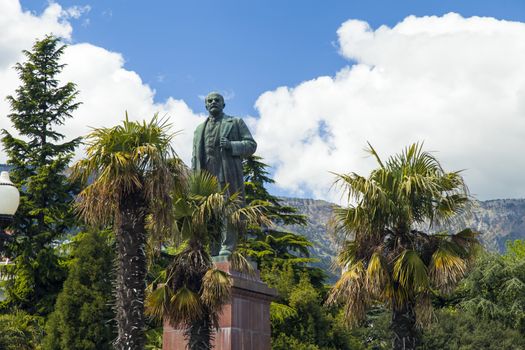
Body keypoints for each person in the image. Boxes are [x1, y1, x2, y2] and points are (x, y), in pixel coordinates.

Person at [191, 92, 257, 256]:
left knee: (228, 210)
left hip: (227, 175)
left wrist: (231, 145)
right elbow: (194, 157)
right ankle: (213, 248)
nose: (213, 102)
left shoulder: (235, 122)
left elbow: (251, 145)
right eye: (210, 101)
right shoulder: (199, 129)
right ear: (206, 105)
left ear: (223, 104)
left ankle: (227, 247)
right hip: (205, 178)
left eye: (217, 100)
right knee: (211, 213)